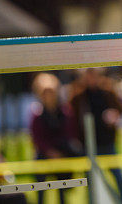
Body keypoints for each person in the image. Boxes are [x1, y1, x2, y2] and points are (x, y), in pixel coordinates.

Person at [69, 68, 122, 202]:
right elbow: (73, 119)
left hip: (107, 143)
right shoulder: (79, 96)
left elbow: (120, 110)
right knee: (91, 181)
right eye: (88, 75)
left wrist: (114, 116)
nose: (91, 78)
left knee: (119, 178)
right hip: (89, 146)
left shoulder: (107, 92)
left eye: (93, 74)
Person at [29, 73, 80, 204]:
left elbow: (69, 133)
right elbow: (37, 138)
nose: (49, 96)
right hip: (44, 155)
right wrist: (50, 152)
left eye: (51, 92)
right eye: (45, 93)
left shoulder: (65, 112)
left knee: (62, 189)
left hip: (62, 155)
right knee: (41, 188)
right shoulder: (37, 114)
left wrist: (61, 152)